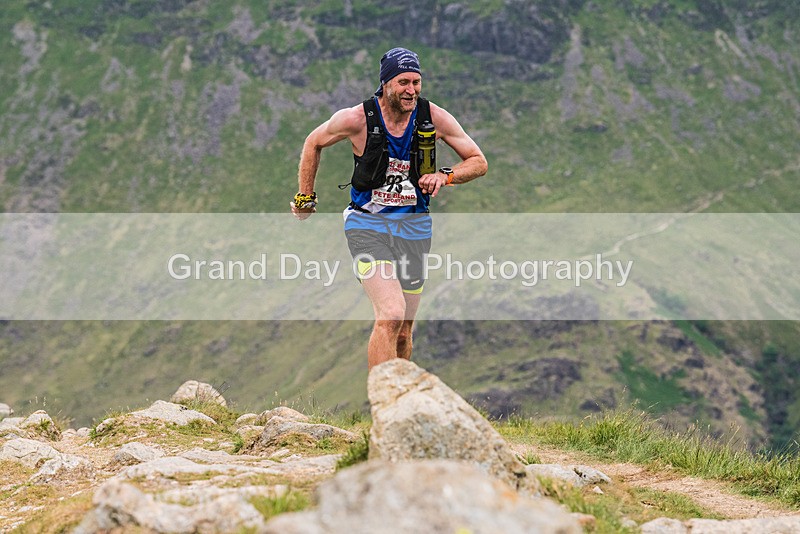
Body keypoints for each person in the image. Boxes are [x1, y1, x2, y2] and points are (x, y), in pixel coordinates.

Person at [291, 47, 487, 370]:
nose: (411, 90)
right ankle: (381, 409)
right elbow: (314, 141)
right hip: (367, 226)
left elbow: (479, 162)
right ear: (385, 84)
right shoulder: (357, 119)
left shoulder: (432, 117)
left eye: (416, 82)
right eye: (403, 82)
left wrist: (446, 176)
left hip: (415, 228)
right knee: (391, 313)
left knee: (404, 331)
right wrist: (305, 198)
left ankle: (398, 405)